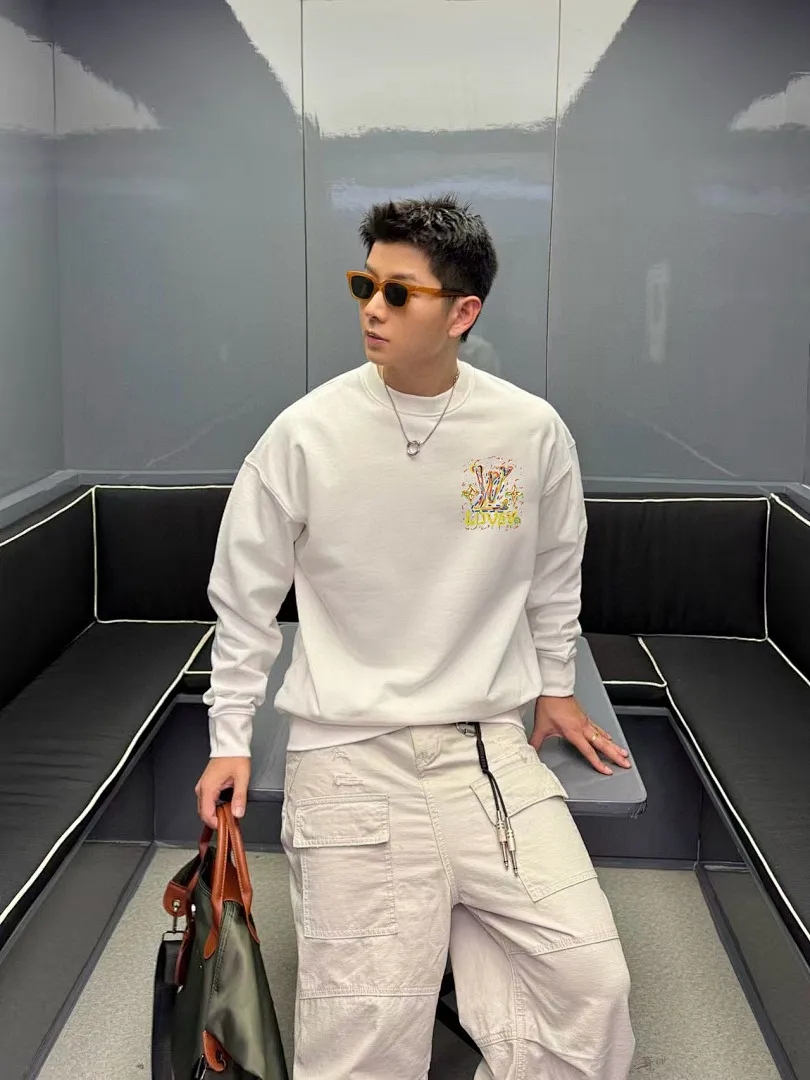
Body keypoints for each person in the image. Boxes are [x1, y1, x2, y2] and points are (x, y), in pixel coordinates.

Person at [195, 194, 636, 1079]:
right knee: (364, 1034)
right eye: (366, 284)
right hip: (349, 755)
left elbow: (555, 572)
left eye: (400, 293)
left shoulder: (528, 431)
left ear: (463, 313)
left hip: (486, 751)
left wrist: (556, 687)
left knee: (593, 984)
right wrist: (229, 737)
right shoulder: (305, 436)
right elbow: (244, 602)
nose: (372, 308)